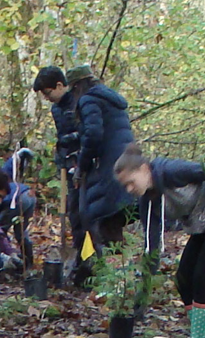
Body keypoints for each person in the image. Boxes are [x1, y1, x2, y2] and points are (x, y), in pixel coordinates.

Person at [113, 144, 205, 338]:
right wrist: (141, 293)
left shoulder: (172, 170)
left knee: (201, 277)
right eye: (124, 185)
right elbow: (151, 247)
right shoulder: (148, 201)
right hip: (201, 227)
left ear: (145, 169)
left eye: (130, 182)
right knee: (183, 279)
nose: (128, 189)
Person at [70, 65, 135, 267]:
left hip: (110, 168)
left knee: (106, 224)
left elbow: (93, 135)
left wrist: (82, 166)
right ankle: (122, 278)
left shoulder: (88, 99)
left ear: (77, 86)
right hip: (128, 164)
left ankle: (115, 280)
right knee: (113, 223)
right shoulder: (111, 100)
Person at [33, 66, 83, 272]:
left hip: (84, 163)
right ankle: (74, 252)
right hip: (67, 164)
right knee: (71, 209)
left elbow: (86, 133)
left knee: (84, 211)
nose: (47, 98)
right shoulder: (56, 109)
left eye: (48, 93)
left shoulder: (79, 102)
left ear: (60, 85)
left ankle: (86, 254)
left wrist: (70, 141)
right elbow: (61, 135)